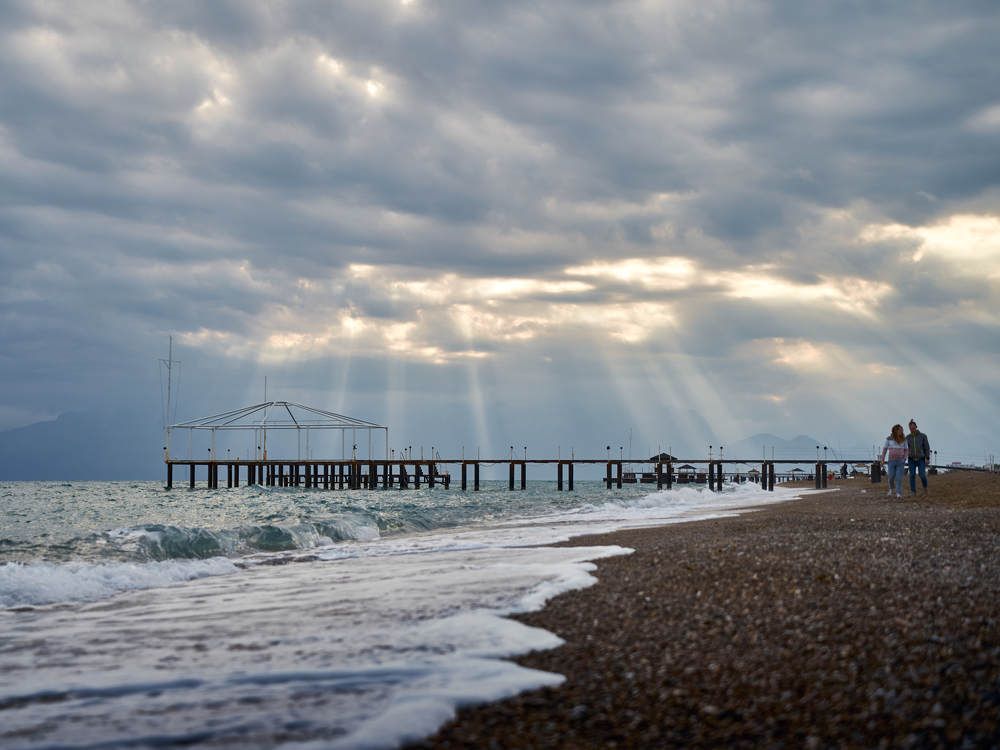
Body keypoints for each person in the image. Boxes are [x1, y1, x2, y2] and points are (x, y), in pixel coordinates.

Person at [879, 424, 908, 500]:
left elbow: (906, 450)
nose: (902, 431)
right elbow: (884, 450)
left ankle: (898, 493)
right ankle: (891, 489)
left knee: (899, 478)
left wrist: (904, 458)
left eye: (902, 430)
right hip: (891, 461)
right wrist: (882, 459)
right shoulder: (889, 439)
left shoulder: (904, 440)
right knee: (891, 477)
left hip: (900, 462)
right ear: (896, 430)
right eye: (900, 430)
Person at [906, 418, 931, 496]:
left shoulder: (923, 436)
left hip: (921, 459)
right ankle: (913, 492)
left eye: (913, 428)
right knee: (912, 475)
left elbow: (927, 447)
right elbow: (905, 448)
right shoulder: (907, 437)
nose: (912, 430)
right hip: (911, 459)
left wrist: (927, 458)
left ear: (916, 427)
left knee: (922, 475)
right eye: (910, 428)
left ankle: (925, 489)